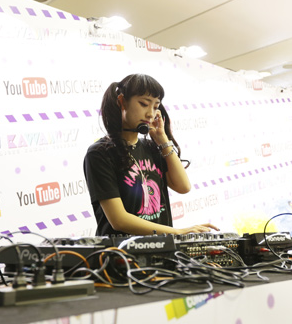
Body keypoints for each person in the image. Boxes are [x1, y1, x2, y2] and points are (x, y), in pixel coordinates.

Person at [83, 73, 219, 236]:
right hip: (121, 250)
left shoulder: (151, 147)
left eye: (155, 107)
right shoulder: (100, 153)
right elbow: (119, 220)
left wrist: (162, 140)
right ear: (122, 102)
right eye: (144, 104)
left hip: (160, 248)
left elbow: (183, 186)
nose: (150, 114)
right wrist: (177, 232)